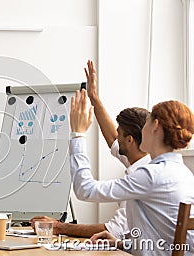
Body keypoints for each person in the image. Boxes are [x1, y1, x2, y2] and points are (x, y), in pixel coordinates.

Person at [31, 60, 151, 238]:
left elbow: (113, 229)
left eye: (120, 133)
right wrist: (94, 98)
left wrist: (58, 227)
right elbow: (113, 140)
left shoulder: (141, 178)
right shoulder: (144, 159)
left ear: (130, 140)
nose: (115, 138)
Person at [70, 89, 194, 255]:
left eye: (147, 122)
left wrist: (78, 134)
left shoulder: (151, 175)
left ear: (155, 126)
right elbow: (161, 242)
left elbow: (85, 190)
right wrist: (122, 244)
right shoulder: (184, 173)